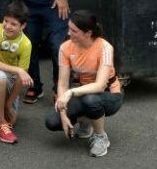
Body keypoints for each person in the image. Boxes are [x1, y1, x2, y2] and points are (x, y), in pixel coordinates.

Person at [45, 11, 123, 157]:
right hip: (84, 93)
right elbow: (62, 83)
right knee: (52, 122)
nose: (69, 33)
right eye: (69, 28)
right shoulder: (65, 48)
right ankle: (87, 123)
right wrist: (63, 114)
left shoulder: (105, 47)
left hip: (110, 95)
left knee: (90, 100)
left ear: (87, 33)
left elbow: (100, 86)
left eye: (74, 31)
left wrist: (70, 93)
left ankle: (101, 137)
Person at [0, 1, 33, 144]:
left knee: (13, 118)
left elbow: (20, 78)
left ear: (23, 26)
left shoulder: (26, 43)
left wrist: (9, 104)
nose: (8, 26)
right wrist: (17, 70)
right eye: (6, 21)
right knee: (1, 78)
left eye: (13, 24)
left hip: (10, 75)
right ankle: (0, 123)